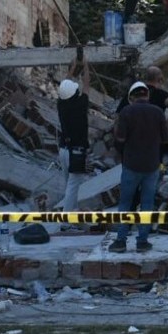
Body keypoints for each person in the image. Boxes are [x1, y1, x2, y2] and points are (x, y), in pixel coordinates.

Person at [110, 82, 168, 253]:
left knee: (126, 203)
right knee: (147, 203)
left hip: (131, 165)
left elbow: (120, 139)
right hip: (152, 166)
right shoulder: (158, 112)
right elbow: (165, 137)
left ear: (132, 97)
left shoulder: (126, 112)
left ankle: (121, 241)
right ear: (147, 95)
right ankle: (142, 241)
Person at [56, 48, 91, 212]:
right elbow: (87, 84)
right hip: (76, 151)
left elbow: (66, 85)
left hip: (63, 149)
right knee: (73, 186)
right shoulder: (80, 104)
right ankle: (67, 220)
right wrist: (85, 66)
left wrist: (72, 69)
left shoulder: (61, 104)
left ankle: (72, 213)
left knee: (68, 184)